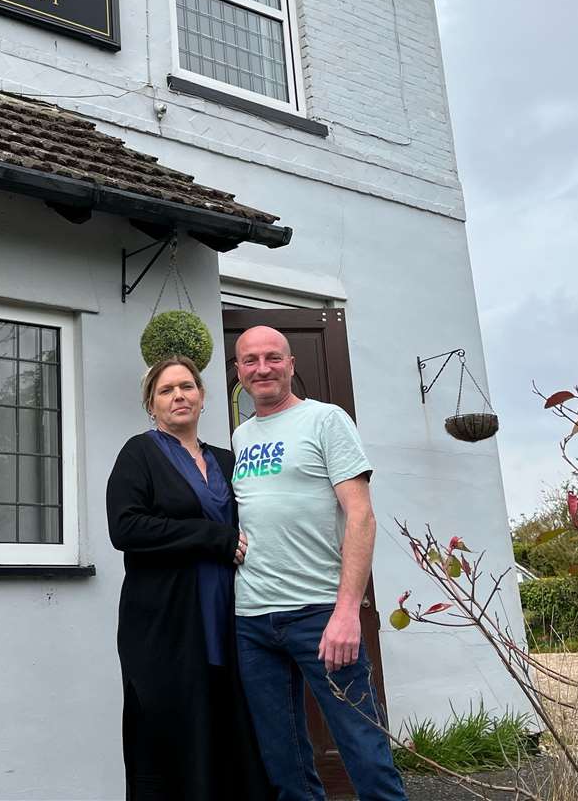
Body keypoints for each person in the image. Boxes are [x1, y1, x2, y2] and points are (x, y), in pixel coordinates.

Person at [230, 326, 407, 801]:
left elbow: (361, 516)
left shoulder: (326, 421)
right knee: (282, 760)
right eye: (250, 360)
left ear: (291, 364)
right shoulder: (241, 435)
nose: (262, 368)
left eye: (272, 358)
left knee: (364, 749)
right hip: (251, 618)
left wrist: (347, 611)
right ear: (238, 371)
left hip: (319, 613)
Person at [106, 355, 272, 801]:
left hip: (229, 619)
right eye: (166, 390)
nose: (179, 396)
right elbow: (126, 528)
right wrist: (209, 536)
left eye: (187, 387)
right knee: (169, 735)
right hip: (164, 624)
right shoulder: (139, 454)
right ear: (152, 405)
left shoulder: (227, 459)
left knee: (230, 734)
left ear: (202, 398)